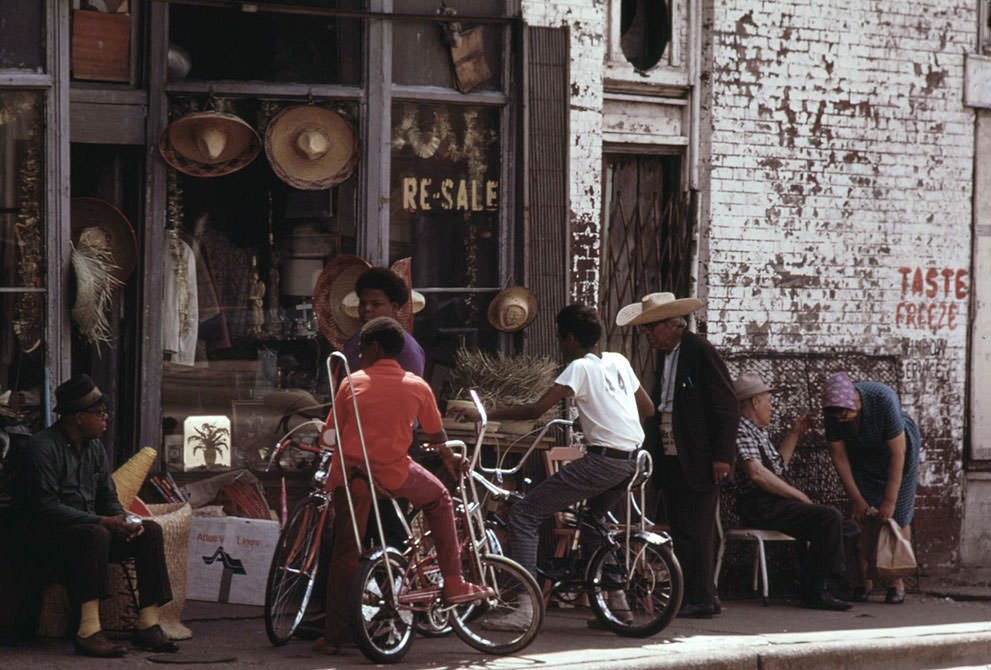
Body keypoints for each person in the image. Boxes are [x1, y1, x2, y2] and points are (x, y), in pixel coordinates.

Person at [449, 304, 654, 625]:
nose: (561, 345)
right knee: (594, 523)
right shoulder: (619, 361)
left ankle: (524, 609)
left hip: (603, 461)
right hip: (633, 461)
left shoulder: (578, 368)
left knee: (524, 513)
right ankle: (618, 605)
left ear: (570, 338)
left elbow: (534, 410)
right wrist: (611, 418)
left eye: (561, 339)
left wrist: (484, 413)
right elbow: (648, 408)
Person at [315, 317, 492, 654]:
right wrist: (448, 457)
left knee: (345, 553)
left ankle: (333, 637)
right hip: (395, 473)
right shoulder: (417, 385)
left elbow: (330, 433)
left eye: (363, 348)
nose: (360, 354)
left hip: (353, 478)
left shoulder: (351, 383)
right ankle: (453, 582)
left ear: (375, 348)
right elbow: (436, 434)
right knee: (439, 498)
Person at [13, 374, 178, 657]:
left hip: (89, 533)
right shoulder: (41, 448)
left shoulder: (95, 448)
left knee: (149, 531)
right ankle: (88, 630)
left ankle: (147, 625)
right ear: (78, 417)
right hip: (47, 536)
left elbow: (108, 499)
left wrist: (123, 521)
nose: (106, 419)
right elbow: (46, 508)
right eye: (99, 413)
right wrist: (102, 521)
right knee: (94, 533)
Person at [618, 292, 738, 619]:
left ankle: (702, 598)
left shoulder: (699, 351)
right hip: (672, 455)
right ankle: (695, 595)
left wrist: (721, 457)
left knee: (697, 530)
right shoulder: (667, 355)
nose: (648, 335)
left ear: (673, 325)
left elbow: (726, 407)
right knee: (682, 528)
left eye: (652, 328)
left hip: (698, 456)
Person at [731, 372, 851, 611]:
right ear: (755, 402)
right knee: (827, 518)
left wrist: (795, 433)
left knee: (845, 524)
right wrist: (798, 496)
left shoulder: (757, 432)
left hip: (771, 503)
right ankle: (817, 590)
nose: (772, 408)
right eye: (768, 401)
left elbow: (776, 468)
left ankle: (830, 584)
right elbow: (757, 473)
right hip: (758, 505)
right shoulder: (741, 430)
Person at [821, 371, 920, 605]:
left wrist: (889, 501)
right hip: (862, 454)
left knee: (897, 517)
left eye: (846, 415)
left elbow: (898, 453)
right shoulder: (833, 411)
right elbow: (839, 454)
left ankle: (896, 583)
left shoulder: (883, 399)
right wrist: (857, 498)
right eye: (837, 418)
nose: (841, 421)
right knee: (863, 516)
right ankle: (863, 581)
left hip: (897, 453)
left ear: (855, 402)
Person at [341, 267, 425, 376]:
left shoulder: (408, 350)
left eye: (376, 304)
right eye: (363, 303)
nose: (367, 309)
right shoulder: (354, 342)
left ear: (394, 307)